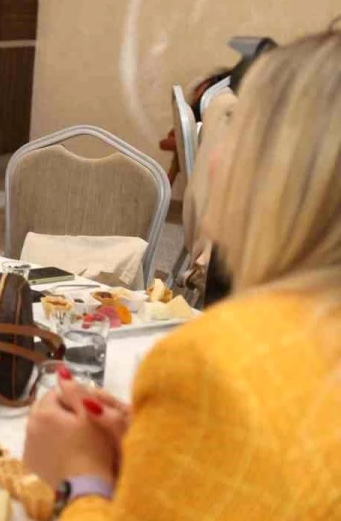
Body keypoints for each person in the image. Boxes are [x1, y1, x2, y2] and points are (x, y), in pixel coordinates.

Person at [21, 29, 341, 520]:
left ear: (284, 179)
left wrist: (79, 476)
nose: (213, 156)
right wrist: (169, 441)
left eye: (236, 129)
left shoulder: (212, 363)